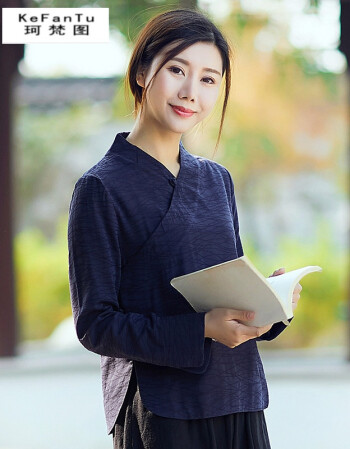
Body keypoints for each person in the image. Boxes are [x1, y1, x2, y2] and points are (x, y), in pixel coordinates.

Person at [67, 7, 302, 449]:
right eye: (177, 69)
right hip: (162, 411)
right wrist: (203, 329)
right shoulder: (99, 188)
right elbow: (95, 326)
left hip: (238, 396)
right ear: (142, 72)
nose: (191, 91)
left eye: (209, 79)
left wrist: (267, 306)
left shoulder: (217, 180)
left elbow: (224, 288)